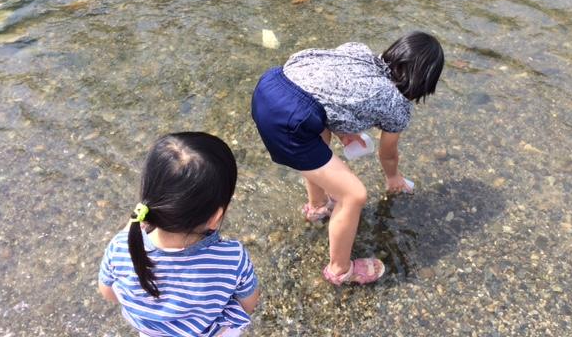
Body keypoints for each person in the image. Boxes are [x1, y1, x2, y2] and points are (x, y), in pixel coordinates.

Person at [251, 31, 444, 286]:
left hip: (271, 85)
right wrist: (393, 177)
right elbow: (388, 153)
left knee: (319, 141)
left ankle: (317, 207)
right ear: (424, 81)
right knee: (354, 195)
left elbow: (327, 86)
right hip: (289, 119)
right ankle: (340, 270)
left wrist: (345, 130)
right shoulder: (396, 104)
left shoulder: (360, 52)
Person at [98, 132, 260, 337]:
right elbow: (249, 304)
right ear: (216, 216)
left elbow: (108, 293)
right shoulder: (232, 258)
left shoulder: (121, 246)